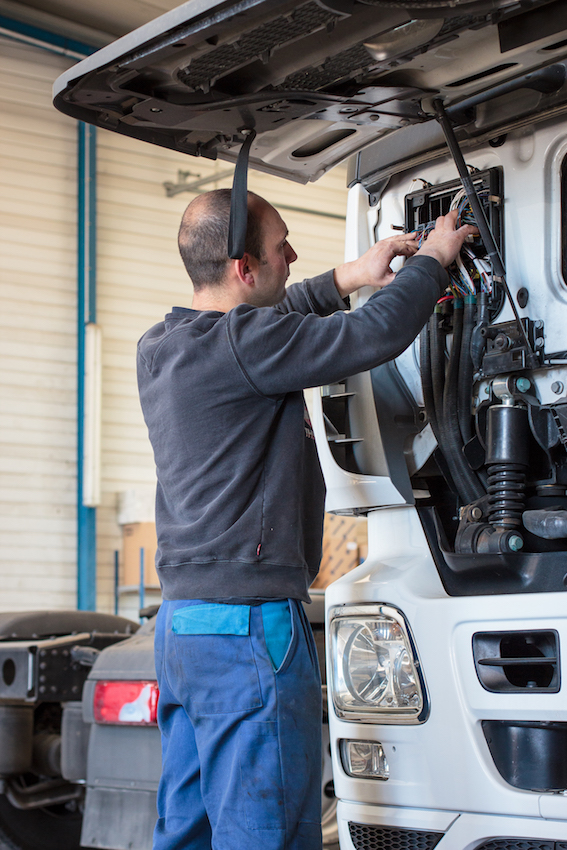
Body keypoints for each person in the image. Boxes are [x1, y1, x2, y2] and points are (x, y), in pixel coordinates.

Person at [137, 189, 474, 850]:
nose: (292, 256)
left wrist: (350, 275)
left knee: (189, 830)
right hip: (247, 631)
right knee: (264, 833)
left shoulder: (162, 345)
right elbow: (370, 334)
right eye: (280, 247)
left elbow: (270, 319)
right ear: (242, 268)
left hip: (181, 631)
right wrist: (430, 261)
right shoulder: (248, 343)